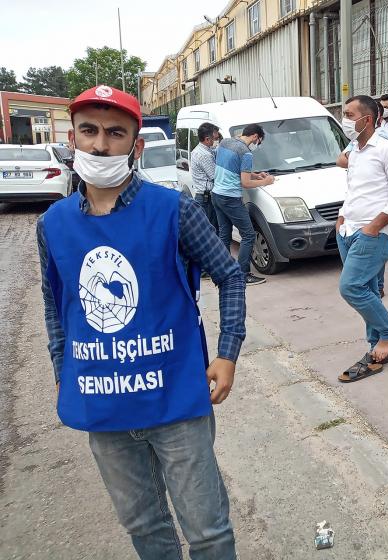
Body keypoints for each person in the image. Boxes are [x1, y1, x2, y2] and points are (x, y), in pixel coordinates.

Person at [37, 85, 246, 560]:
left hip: (175, 402)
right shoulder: (53, 224)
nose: (99, 144)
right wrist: (60, 367)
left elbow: (230, 276)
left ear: (136, 146)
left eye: (115, 133)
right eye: (88, 131)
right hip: (103, 408)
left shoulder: (173, 211)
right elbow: (56, 304)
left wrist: (228, 353)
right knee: (144, 527)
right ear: (72, 138)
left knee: (208, 531)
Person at [336, 95, 388, 383]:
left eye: (348, 114)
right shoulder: (355, 151)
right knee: (367, 289)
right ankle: (375, 347)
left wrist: (373, 227)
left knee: (351, 287)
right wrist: (342, 216)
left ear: (367, 119)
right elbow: (356, 189)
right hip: (347, 231)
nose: (344, 119)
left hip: (372, 234)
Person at [212, 123, 274, 285]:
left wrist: (256, 175)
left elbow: (234, 169)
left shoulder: (225, 143)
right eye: (258, 142)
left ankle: (224, 271)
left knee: (224, 234)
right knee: (248, 235)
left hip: (217, 194)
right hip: (231, 198)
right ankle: (244, 274)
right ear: (255, 136)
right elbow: (245, 183)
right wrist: (266, 182)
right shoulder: (246, 153)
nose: (256, 145)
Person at [191, 122, 221, 233]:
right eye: (216, 138)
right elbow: (215, 176)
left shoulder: (202, 150)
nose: (217, 141)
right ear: (207, 139)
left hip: (204, 196)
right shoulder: (204, 155)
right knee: (212, 230)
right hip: (206, 199)